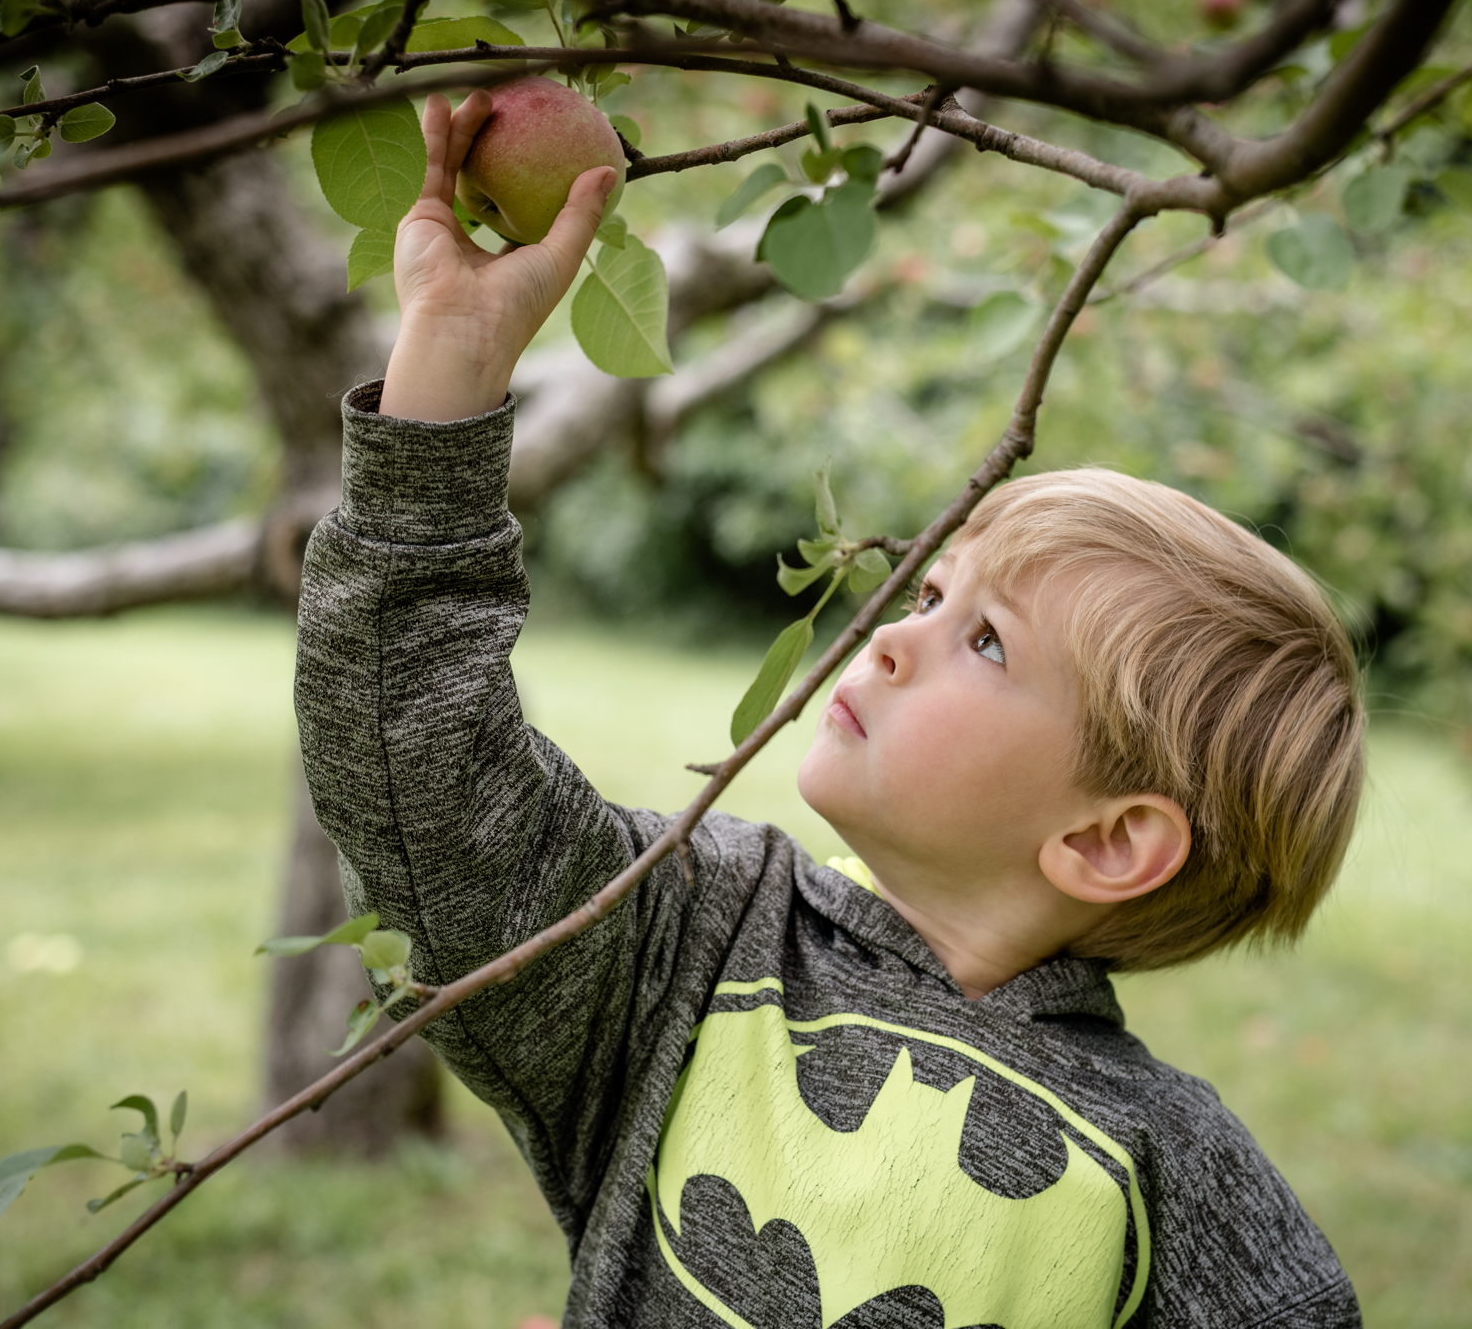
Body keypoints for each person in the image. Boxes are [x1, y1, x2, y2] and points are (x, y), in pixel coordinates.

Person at [295, 88, 1368, 1329]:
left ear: (1105, 839)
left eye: (980, 637)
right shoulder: (692, 947)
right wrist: (449, 362)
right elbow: (422, 789)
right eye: (926, 589)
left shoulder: (1173, 1179)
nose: (894, 635)